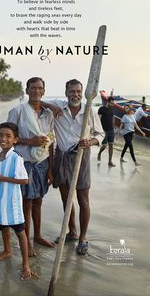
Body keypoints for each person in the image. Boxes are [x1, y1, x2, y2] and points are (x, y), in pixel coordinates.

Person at [42, 79, 104, 255]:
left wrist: (90, 141)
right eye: (72, 91)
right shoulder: (59, 106)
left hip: (81, 157)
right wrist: (51, 107)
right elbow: (36, 101)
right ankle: (72, 232)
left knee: (83, 199)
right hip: (61, 156)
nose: (75, 95)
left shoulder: (88, 110)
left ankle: (83, 238)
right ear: (66, 92)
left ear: (83, 93)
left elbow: (100, 134)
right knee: (66, 199)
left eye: (78, 91)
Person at [7, 77, 55, 256]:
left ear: (43, 91)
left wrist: (51, 169)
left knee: (38, 201)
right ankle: (26, 241)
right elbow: (8, 138)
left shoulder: (49, 114)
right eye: (32, 88)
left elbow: (51, 142)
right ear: (27, 91)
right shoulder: (18, 111)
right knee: (26, 203)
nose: (36, 91)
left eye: (39, 88)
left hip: (42, 163)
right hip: (24, 162)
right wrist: (30, 141)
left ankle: (38, 236)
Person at [0, 122, 31, 280]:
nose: (3, 138)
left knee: (20, 232)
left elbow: (25, 180)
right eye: (0, 135)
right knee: (3, 226)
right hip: (0, 200)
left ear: (15, 140)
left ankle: (25, 264)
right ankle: (7, 250)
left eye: (8, 136)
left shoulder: (16, 157)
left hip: (13, 203)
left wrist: (0, 178)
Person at [97, 96, 116, 166]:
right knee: (104, 145)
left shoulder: (112, 109)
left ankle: (110, 161)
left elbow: (113, 117)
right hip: (104, 130)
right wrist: (100, 130)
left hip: (111, 130)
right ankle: (99, 153)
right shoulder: (101, 109)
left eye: (113, 103)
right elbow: (98, 119)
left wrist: (113, 128)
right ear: (107, 102)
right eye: (111, 103)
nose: (112, 105)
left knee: (111, 145)